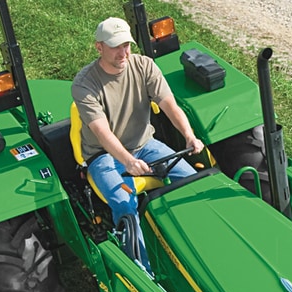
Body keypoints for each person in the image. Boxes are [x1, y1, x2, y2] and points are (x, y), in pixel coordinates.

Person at [72, 17, 205, 226]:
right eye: (116, 46)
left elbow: (169, 105)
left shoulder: (144, 65)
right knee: (125, 204)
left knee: (193, 182)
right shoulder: (84, 84)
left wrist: (189, 136)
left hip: (145, 145)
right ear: (99, 47)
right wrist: (128, 161)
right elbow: (102, 134)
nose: (123, 53)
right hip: (104, 156)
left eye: (126, 45)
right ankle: (137, 257)